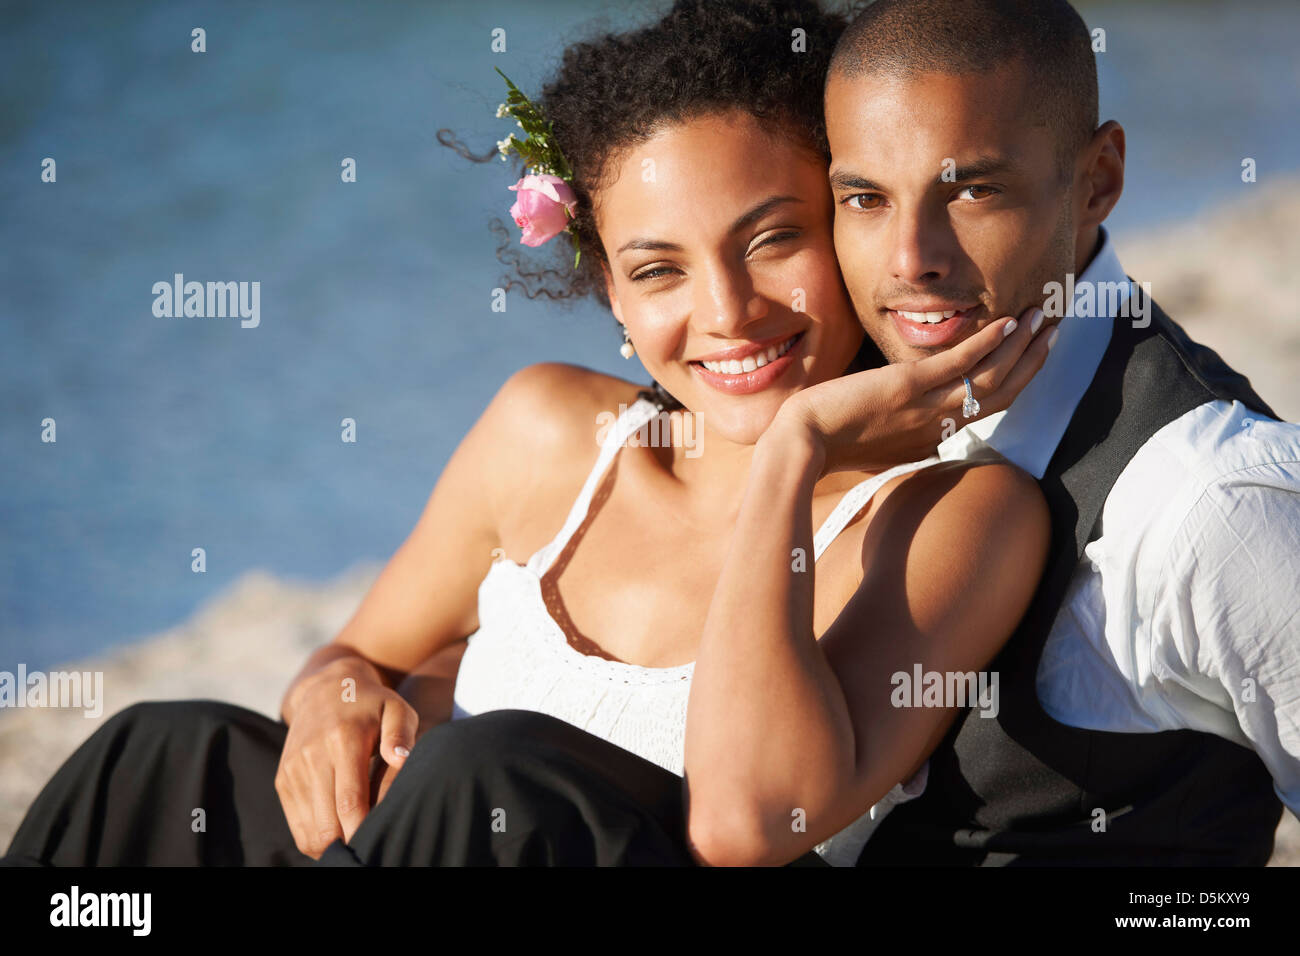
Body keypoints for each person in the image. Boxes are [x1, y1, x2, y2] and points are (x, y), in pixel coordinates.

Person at [2, 0, 1054, 868]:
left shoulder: (952, 515)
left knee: (488, 774)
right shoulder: (553, 430)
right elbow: (358, 649)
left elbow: (758, 817)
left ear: (849, 215)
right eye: (658, 269)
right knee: (163, 750)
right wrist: (335, 693)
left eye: (773, 239)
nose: (727, 311)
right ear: (609, 291)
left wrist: (789, 459)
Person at [822, 0, 1300, 866]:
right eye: (864, 197)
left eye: (971, 189)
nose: (908, 258)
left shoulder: (1215, 501)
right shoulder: (834, 399)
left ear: (1097, 179)